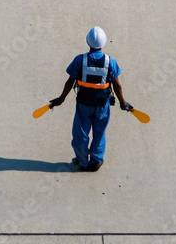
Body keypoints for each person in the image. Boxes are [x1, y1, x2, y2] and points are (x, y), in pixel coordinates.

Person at [49, 26, 132, 172]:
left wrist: (61, 98)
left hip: (83, 104)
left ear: (88, 42)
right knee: (99, 132)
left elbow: (70, 81)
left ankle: (82, 161)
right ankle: (96, 160)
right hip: (102, 105)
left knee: (80, 133)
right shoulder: (110, 62)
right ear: (103, 43)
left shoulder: (79, 60)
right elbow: (117, 86)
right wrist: (122, 102)